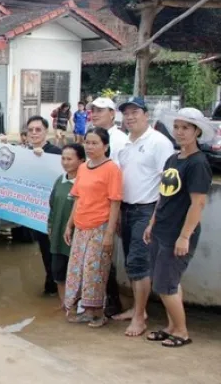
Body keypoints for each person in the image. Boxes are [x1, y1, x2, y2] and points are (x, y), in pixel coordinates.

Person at [144, 108, 213, 348]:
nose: (180, 132)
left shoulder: (198, 164)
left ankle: (182, 332)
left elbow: (198, 203)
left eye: (186, 128)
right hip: (161, 230)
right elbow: (163, 196)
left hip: (178, 234)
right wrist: (152, 223)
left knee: (165, 284)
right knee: (167, 283)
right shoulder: (173, 159)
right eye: (177, 127)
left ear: (197, 132)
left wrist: (184, 236)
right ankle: (171, 326)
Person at [114, 96, 175, 337]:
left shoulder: (158, 142)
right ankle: (137, 310)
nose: (130, 117)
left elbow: (168, 184)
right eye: (126, 113)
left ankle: (139, 317)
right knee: (132, 262)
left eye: (134, 112)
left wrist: (154, 219)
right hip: (127, 209)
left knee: (139, 263)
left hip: (147, 210)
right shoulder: (126, 144)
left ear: (146, 115)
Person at [64, 127, 122, 328]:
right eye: (87, 142)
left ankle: (98, 313)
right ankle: (87, 312)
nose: (89, 146)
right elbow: (78, 198)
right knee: (78, 270)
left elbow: (115, 202)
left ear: (105, 146)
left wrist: (109, 233)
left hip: (100, 226)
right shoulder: (83, 168)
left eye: (94, 143)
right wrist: (69, 225)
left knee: (94, 272)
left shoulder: (112, 169)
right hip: (81, 226)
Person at [86, 97, 129, 316]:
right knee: (98, 258)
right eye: (93, 110)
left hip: (110, 207)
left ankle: (112, 300)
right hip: (92, 207)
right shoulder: (91, 136)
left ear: (112, 113)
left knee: (107, 255)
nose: (95, 114)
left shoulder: (120, 139)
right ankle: (100, 300)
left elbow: (119, 176)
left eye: (100, 110)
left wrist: (117, 213)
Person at [25, 115, 61, 296]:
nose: (34, 133)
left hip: (55, 213)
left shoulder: (56, 152)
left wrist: (43, 157)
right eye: (30, 130)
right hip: (36, 212)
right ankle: (52, 285)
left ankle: (57, 286)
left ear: (46, 131)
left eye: (38, 129)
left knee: (56, 250)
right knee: (44, 250)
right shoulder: (23, 153)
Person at [48, 143, 85, 308]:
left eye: (70, 159)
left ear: (81, 161)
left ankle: (78, 305)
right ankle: (65, 305)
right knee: (58, 272)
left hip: (76, 237)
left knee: (77, 273)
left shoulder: (84, 184)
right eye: (63, 158)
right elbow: (52, 206)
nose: (65, 162)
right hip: (57, 236)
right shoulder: (59, 180)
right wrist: (50, 226)